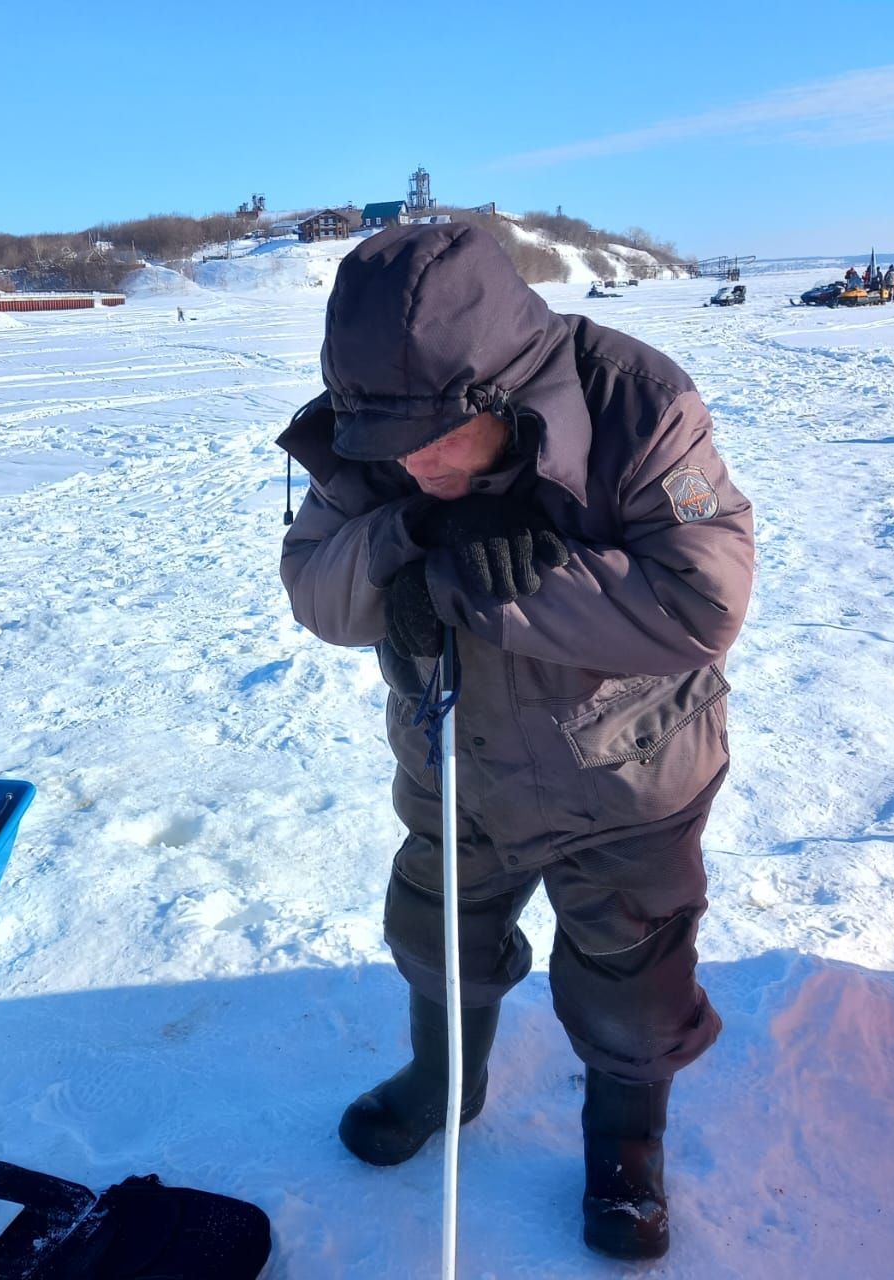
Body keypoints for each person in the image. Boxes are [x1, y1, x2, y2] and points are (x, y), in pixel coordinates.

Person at [278, 224, 754, 1262]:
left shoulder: (636, 401)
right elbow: (315, 584)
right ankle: (442, 1079)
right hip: (454, 762)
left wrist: (498, 586)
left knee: (633, 972)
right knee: (435, 936)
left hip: (629, 775)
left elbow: (700, 601)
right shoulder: (368, 427)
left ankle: (624, 1134)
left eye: (439, 435)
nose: (411, 461)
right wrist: (408, 540)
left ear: (503, 395)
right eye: (390, 440)